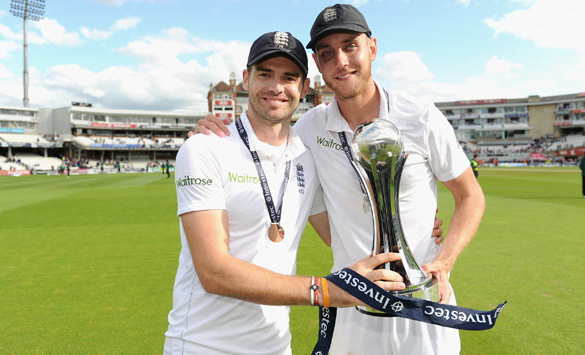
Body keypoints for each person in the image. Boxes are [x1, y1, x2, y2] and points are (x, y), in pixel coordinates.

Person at [196, 4, 486, 354]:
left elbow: (470, 196)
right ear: (317, 65)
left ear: (372, 48)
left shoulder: (421, 117)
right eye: (327, 53)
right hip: (353, 310)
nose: (341, 61)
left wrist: (444, 259)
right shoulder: (309, 128)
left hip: (422, 305)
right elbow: (262, 143)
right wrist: (212, 129)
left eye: (350, 46)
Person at [164, 31, 407, 355]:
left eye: (289, 77)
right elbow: (213, 271)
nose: (276, 87)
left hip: (276, 347)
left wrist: (410, 228)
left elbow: (345, 236)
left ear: (303, 87)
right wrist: (323, 290)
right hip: (202, 346)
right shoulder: (205, 148)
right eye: (265, 74)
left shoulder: (307, 157)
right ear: (247, 79)